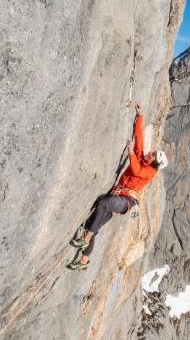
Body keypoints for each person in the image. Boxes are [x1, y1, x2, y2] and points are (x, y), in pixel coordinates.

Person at [67, 103, 168, 270]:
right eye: (152, 152)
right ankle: (84, 261)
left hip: (126, 201)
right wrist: (140, 116)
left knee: (103, 203)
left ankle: (86, 239)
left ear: (155, 162)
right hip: (119, 194)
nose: (150, 153)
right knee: (93, 224)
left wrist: (130, 153)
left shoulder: (149, 172)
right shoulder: (143, 158)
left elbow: (136, 170)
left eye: (153, 155)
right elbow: (139, 138)